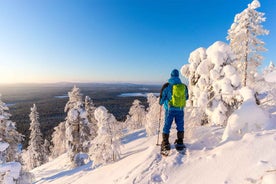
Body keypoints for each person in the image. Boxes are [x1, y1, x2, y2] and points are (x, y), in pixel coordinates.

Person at [159, 69, 189, 153]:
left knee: (167, 125)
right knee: (180, 125)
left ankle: (165, 143)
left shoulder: (166, 86)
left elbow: (161, 100)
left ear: (171, 75)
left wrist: (162, 102)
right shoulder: (184, 86)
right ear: (178, 76)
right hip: (180, 109)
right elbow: (187, 97)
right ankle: (180, 142)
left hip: (169, 110)